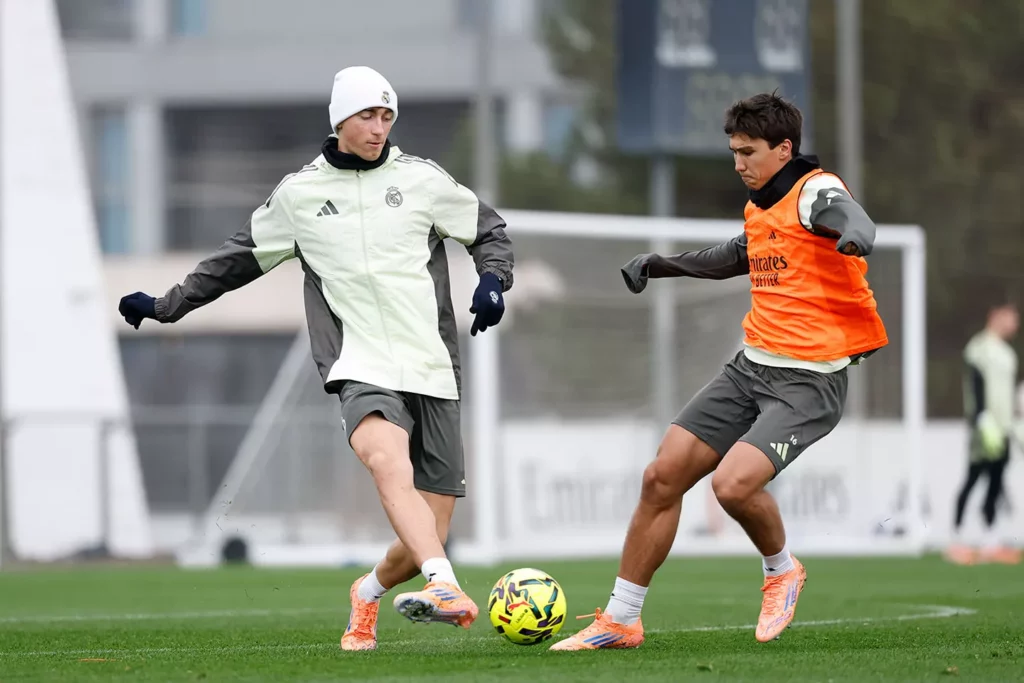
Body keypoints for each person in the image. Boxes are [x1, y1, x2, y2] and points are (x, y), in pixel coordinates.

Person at [117, 66, 514, 650]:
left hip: (433, 366)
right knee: (386, 460)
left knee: (424, 532)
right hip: (358, 365)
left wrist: (494, 280)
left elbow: (489, 230)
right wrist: (166, 305)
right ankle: (445, 584)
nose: (379, 128)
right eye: (367, 116)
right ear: (339, 121)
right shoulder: (299, 196)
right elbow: (235, 260)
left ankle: (369, 593)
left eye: (387, 117)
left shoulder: (422, 180)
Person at [550, 92, 887, 651]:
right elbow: (737, 254)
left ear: (784, 149)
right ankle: (620, 619)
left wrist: (855, 235)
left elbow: (853, 219)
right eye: (733, 152)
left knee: (732, 486)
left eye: (748, 152)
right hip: (750, 368)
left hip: (809, 381)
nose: (739, 164)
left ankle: (781, 570)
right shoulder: (760, 206)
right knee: (662, 477)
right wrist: (662, 264)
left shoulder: (814, 190)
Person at [945, 301, 1022, 565]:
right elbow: (975, 381)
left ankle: (990, 542)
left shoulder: (1009, 354)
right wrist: (982, 417)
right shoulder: (980, 347)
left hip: (1003, 429)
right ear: (995, 316)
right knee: (973, 477)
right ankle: (955, 540)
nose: (1014, 323)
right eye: (1010, 317)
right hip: (984, 427)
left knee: (997, 482)